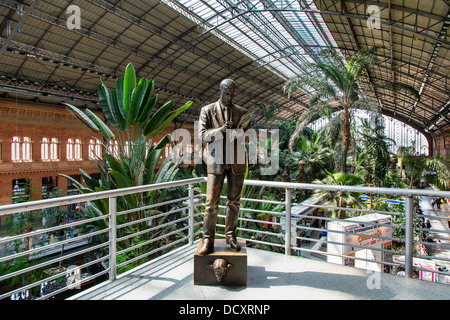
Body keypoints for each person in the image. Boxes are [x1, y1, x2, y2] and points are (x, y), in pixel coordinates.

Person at [196, 79, 249, 256]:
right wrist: (221, 131)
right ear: (220, 90)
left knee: (234, 202)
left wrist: (236, 133)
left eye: (233, 93)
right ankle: (208, 240)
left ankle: (230, 236)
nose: (230, 96)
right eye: (227, 93)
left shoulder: (242, 112)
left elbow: (249, 136)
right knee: (211, 204)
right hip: (216, 162)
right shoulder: (207, 111)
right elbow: (203, 135)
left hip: (237, 162)